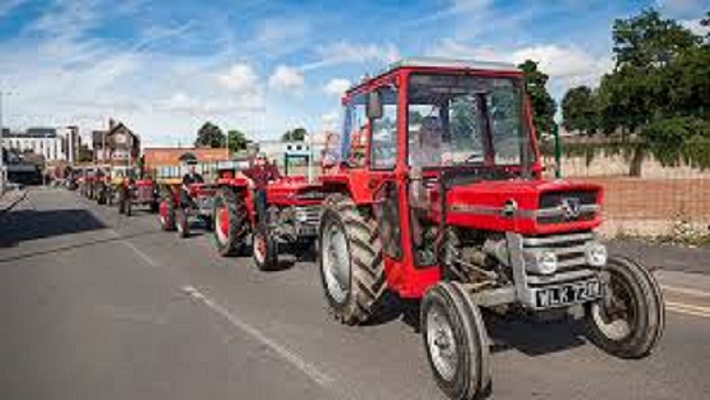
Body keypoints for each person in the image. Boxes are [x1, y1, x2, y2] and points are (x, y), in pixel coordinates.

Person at [241, 152, 281, 224]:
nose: (262, 160)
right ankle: (263, 221)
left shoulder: (271, 168)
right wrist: (248, 179)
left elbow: (278, 178)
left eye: (264, 158)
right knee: (261, 194)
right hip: (258, 191)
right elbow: (241, 173)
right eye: (260, 158)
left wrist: (275, 181)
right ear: (257, 160)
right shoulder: (253, 169)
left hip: (270, 191)